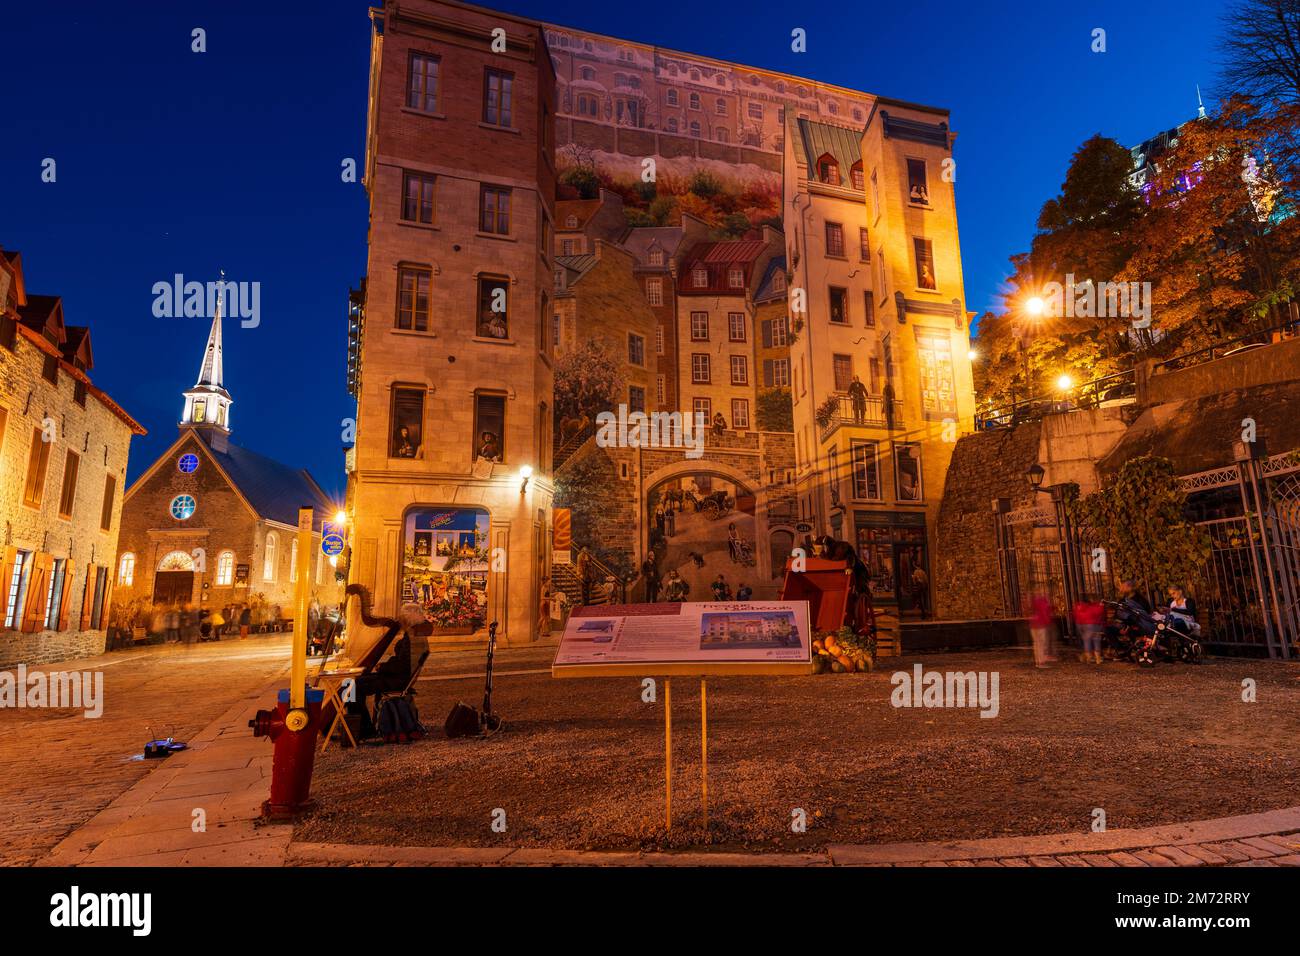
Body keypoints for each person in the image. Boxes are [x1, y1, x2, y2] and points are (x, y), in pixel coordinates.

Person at [1074, 594, 1105, 664]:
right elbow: (1099, 612)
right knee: (1097, 642)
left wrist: (1080, 628)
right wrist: (1101, 605)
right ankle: (1098, 659)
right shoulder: (1093, 606)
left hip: (1085, 627)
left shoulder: (1079, 607)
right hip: (1096, 627)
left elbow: (1078, 618)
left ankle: (1089, 659)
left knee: (1087, 642)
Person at [1028, 593, 1057, 668]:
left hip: (1033, 624)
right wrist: (1047, 622)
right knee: (1041, 644)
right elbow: (1044, 613)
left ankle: (1037, 661)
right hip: (1040, 624)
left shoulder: (1033, 602)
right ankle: (1041, 662)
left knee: (1036, 644)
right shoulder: (1043, 602)